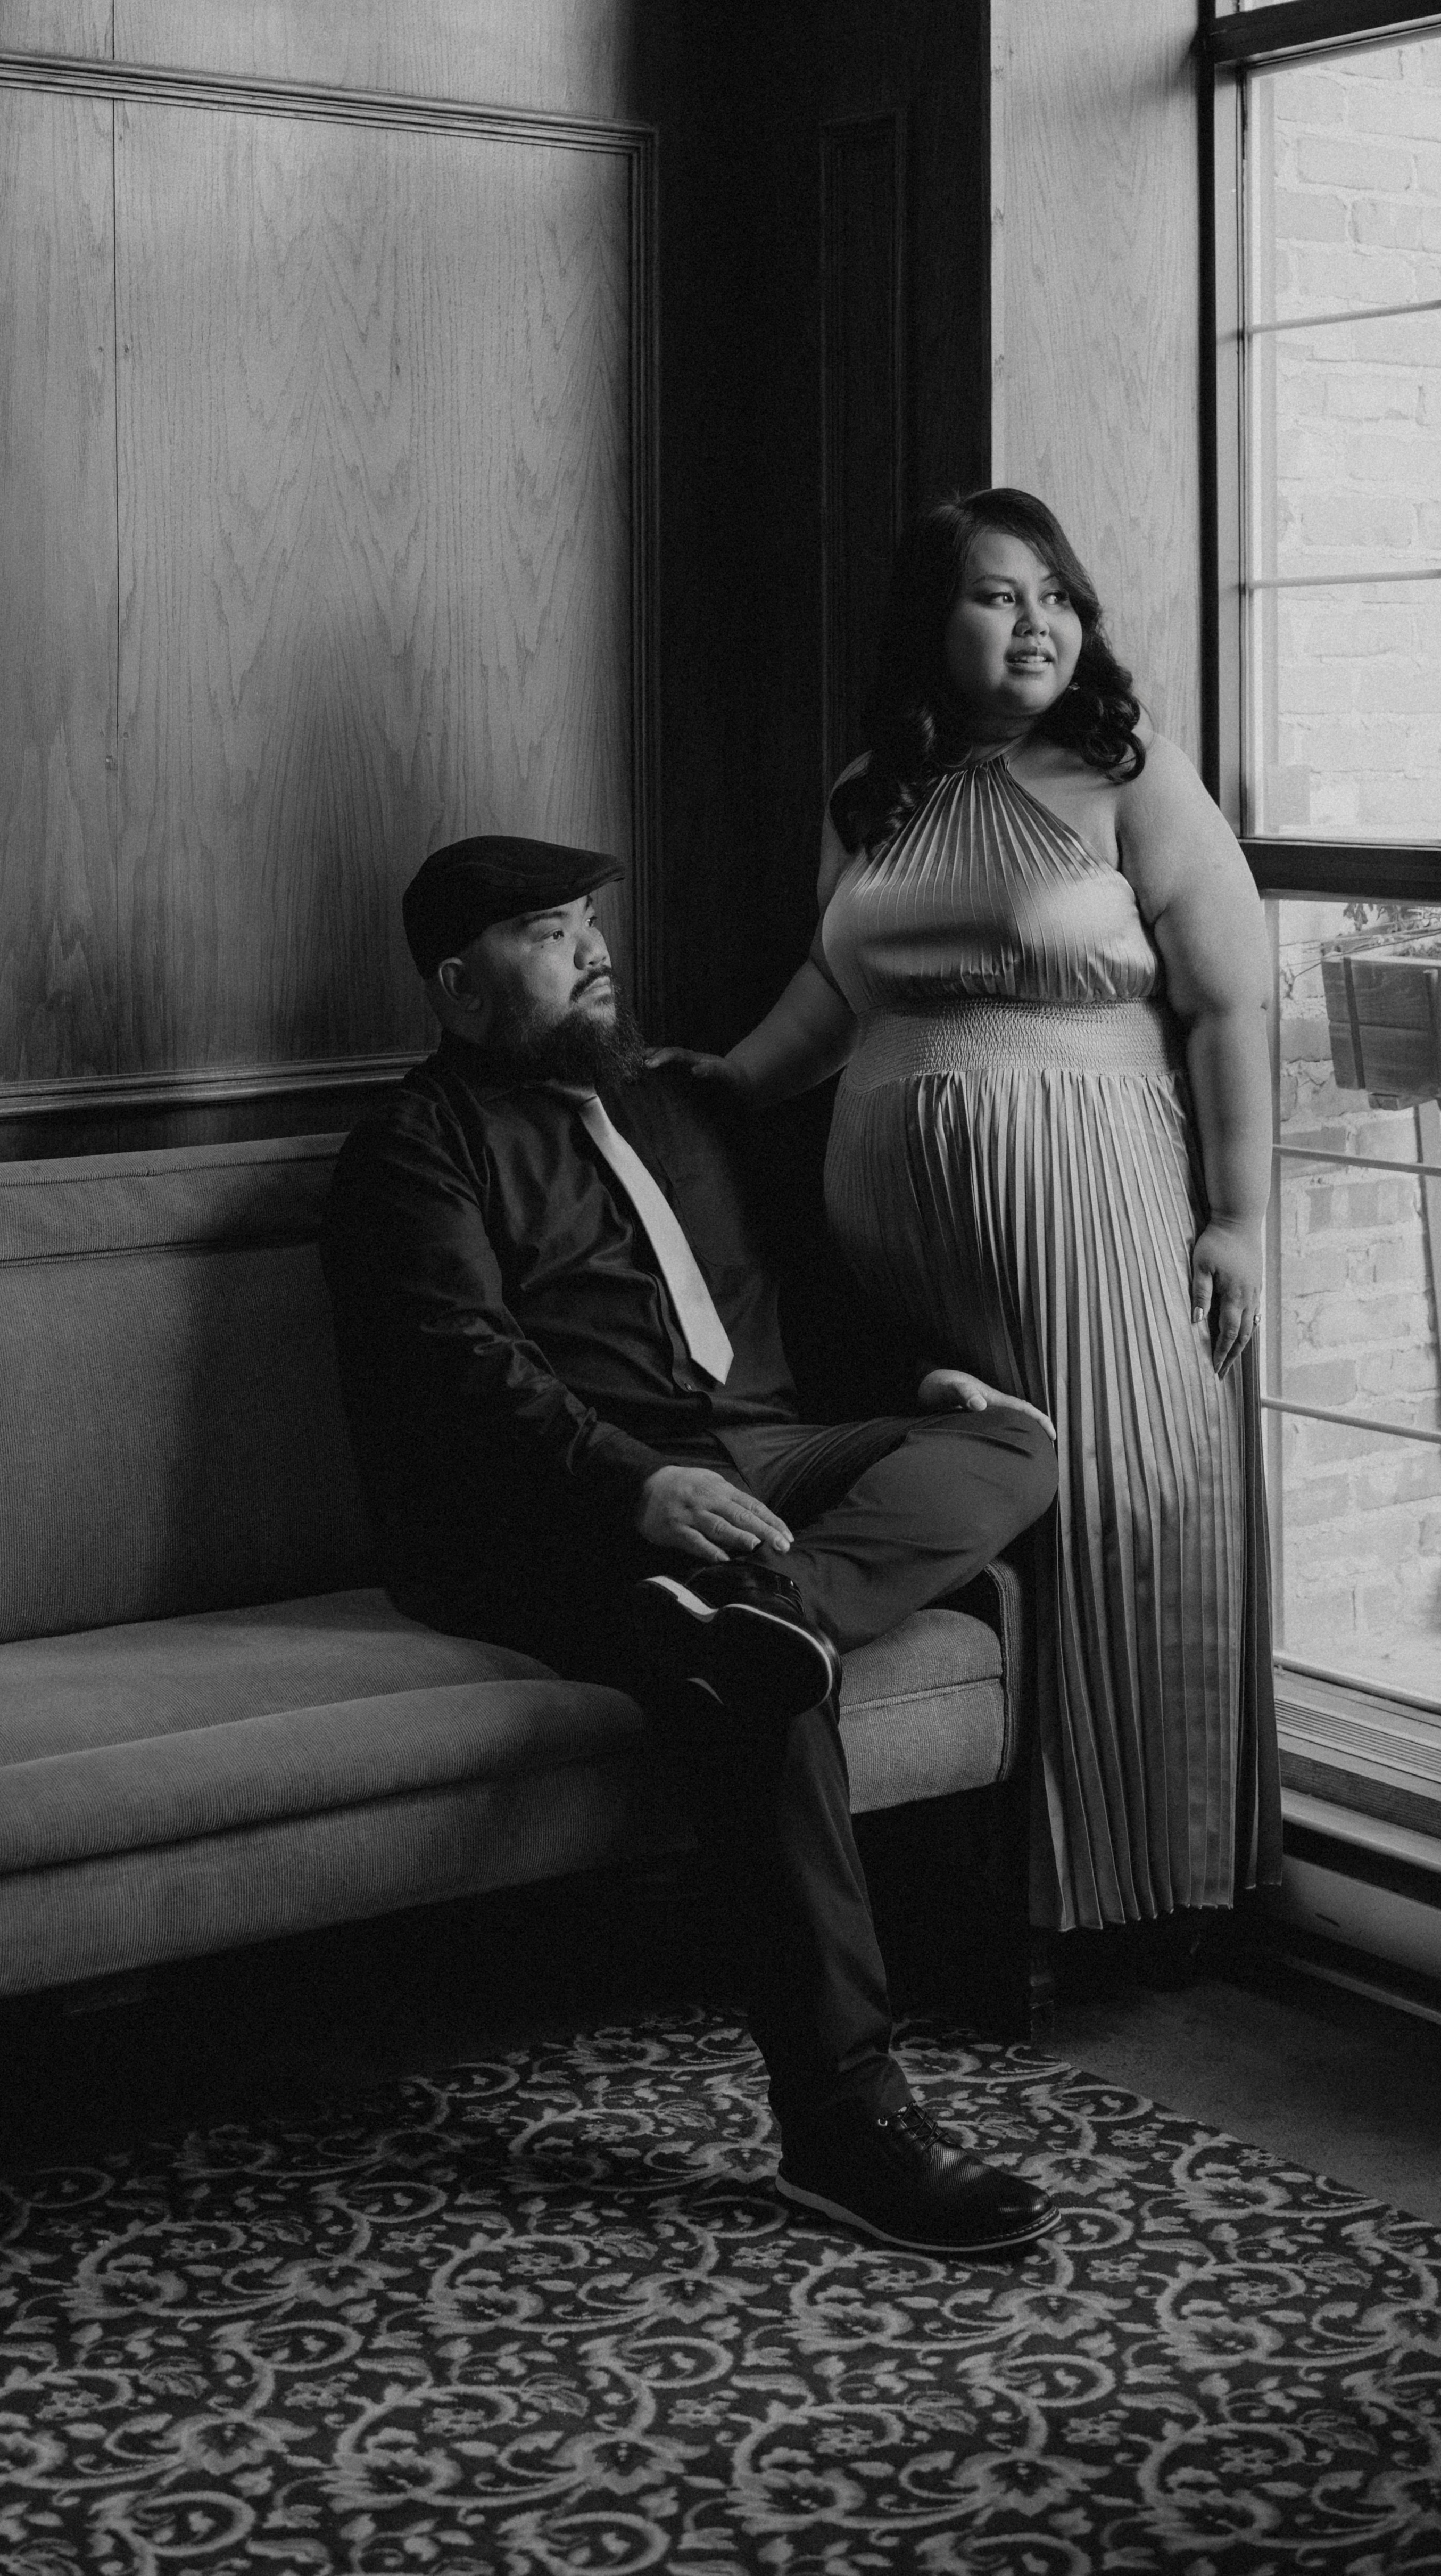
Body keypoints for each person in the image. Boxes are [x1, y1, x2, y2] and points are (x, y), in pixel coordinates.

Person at [319, 832, 1061, 2257]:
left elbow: (790, 1287)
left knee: (1011, 1443)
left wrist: (913, 1380)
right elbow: (460, 1369)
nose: (593, 946)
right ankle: (846, 2122)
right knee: (753, 1697)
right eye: (548, 930)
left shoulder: (674, 1103)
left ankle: (781, 1612)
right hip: (566, 1510)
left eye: (590, 919)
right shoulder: (414, 1152)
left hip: (766, 1461)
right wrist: (631, 1487)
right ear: (463, 989)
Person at [702, 491, 1278, 1944]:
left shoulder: (1126, 777)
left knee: (1118, 1508)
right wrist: (719, 1084)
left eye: (1053, 596)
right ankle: (978, 1898)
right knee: (978, 1525)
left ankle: (1135, 1894)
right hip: (901, 1265)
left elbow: (1228, 1004)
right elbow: (835, 997)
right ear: (926, 624)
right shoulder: (868, 795)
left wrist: (1240, 1220)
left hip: (1093, 1213)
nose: (1034, 622)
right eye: (994, 595)